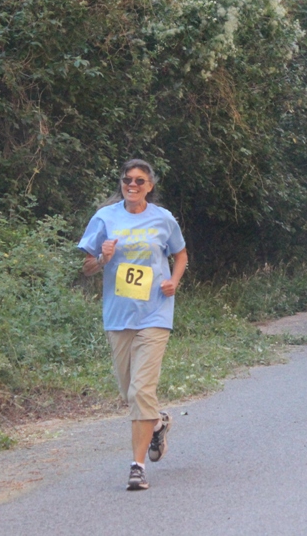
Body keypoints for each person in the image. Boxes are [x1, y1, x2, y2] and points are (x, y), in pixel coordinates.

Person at [79, 158, 188, 490]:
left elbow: (181, 254)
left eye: (140, 181)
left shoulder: (163, 219)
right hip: (118, 316)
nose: (133, 185)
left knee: (142, 389)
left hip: (155, 313)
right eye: (128, 180)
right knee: (130, 391)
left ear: (149, 186)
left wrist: (174, 280)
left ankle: (137, 466)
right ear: (121, 184)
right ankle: (156, 425)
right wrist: (102, 259)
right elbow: (86, 267)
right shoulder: (105, 217)